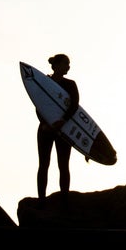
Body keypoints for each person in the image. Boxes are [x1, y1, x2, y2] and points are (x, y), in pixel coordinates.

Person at [35, 53, 80, 197]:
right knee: (43, 165)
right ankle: (41, 199)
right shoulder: (44, 82)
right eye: (66, 63)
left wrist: (63, 121)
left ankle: (64, 200)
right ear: (57, 65)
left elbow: (74, 106)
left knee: (63, 165)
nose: (68, 66)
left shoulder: (70, 84)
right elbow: (38, 104)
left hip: (64, 129)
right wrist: (45, 123)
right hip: (46, 129)